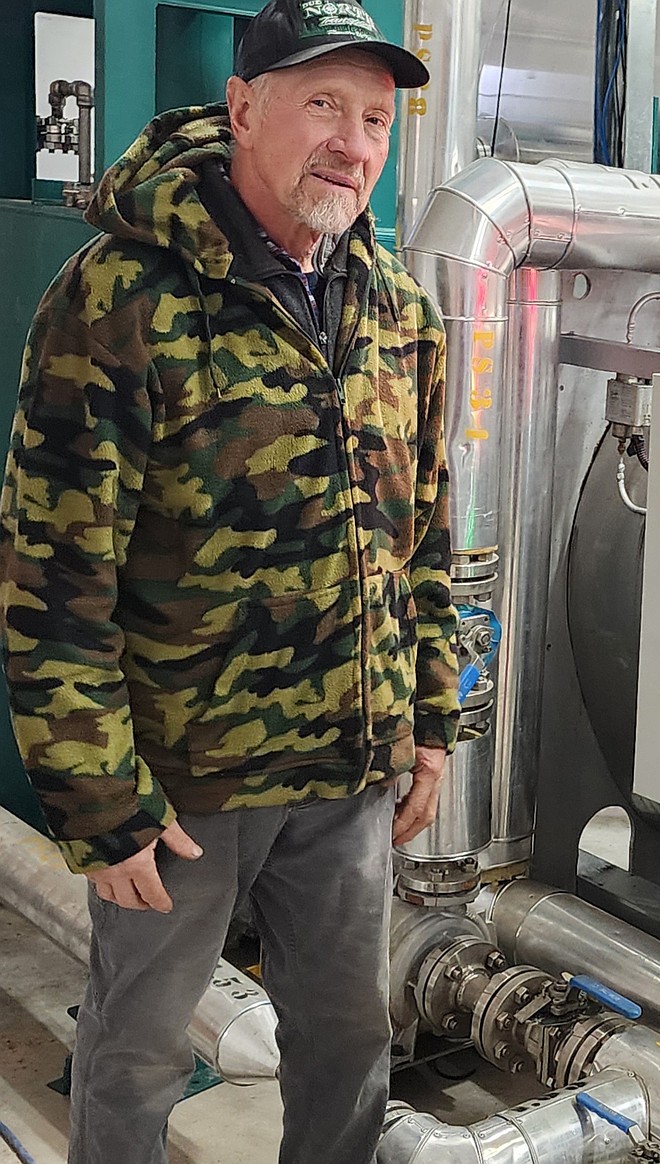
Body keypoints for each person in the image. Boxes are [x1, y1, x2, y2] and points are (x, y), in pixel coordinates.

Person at [0, 2, 458, 1162]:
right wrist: (102, 807)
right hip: (180, 787)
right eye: (322, 106)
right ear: (244, 108)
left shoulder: (397, 306)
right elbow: (55, 577)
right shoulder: (121, 299)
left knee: (351, 1039)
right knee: (142, 1047)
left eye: (376, 116)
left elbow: (427, 537)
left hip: (346, 767)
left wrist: (432, 720)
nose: (352, 142)